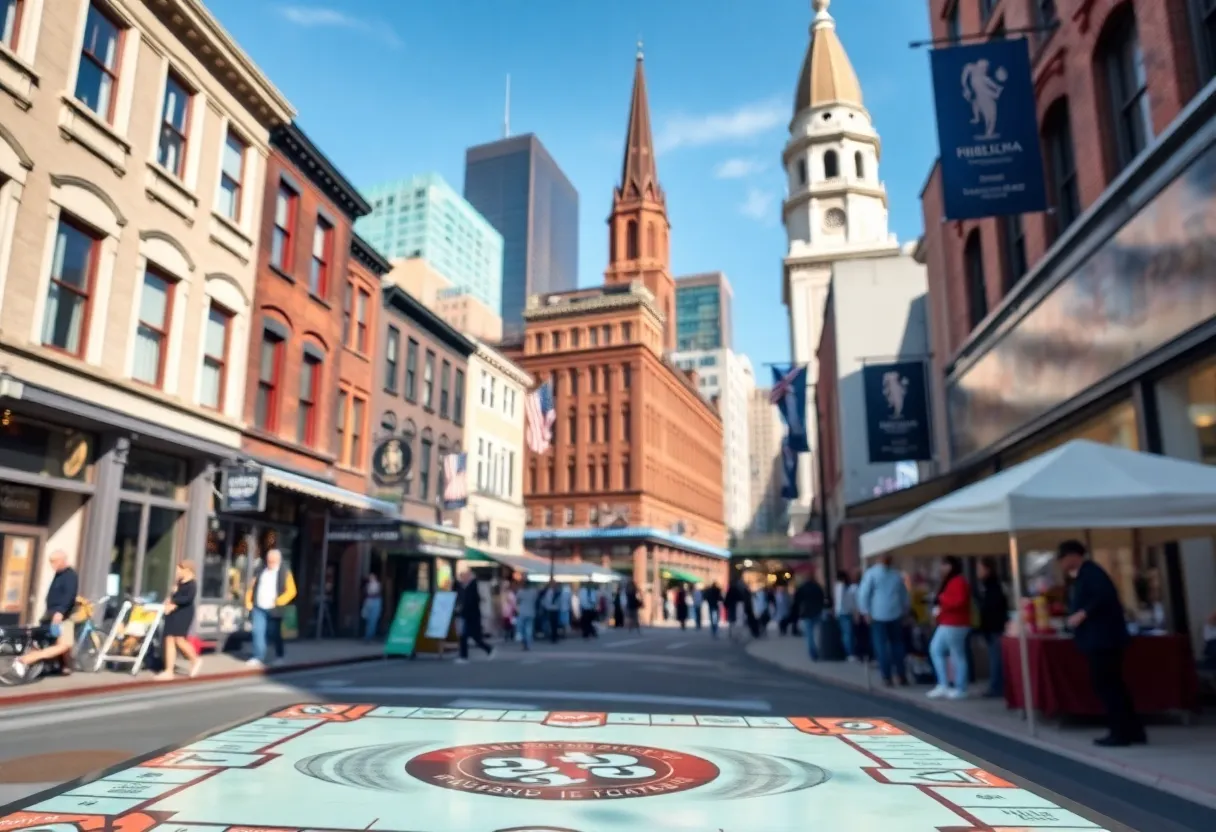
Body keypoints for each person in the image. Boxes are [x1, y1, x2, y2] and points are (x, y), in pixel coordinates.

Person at [1057, 539, 1146, 746]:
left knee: (1107, 686)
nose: (1061, 563)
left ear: (1073, 556)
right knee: (1115, 685)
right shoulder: (1084, 575)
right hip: (1101, 639)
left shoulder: (1092, 573)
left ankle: (1120, 732)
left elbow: (1103, 596)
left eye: (1062, 558)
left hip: (1103, 640)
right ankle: (1133, 729)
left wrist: (1082, 614)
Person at [9, 551, 78, 679]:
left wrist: (60, 612)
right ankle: (26, 659)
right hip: (55, 614)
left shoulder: (69, 576)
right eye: (51, 562)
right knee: (63, 645)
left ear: (63, 560)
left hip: (60, 614)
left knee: (61, 644)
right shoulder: (60, 574)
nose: (52, 565)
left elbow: (69, 595)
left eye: (54, 562)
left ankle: (64, 667)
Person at [858, 554, 911, 687]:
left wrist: (865, 611)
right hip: (895, 613)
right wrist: (905, 611)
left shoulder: (871, 574)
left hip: (878, 614)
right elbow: (904, 595)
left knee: (881, 646)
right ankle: (901, 674)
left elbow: (864, 593)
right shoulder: (896, 575)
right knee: (897, 645)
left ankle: (887, 677)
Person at [927, 556, 972, 700]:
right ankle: (945, 684)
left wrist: (942, 599)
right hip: (949, 622)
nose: (941, 568)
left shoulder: (958, 581)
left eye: (944, 565)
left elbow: (959, 601)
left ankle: (959, 687)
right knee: (938, 649)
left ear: (951, 566)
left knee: (955, 653)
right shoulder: (953, 581)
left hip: (955, 622)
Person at [244, 548, 297, 667]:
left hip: (275, 608)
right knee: (257, 631)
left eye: (273, 561)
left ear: (279, 560)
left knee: (274, 633)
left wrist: (280, 600)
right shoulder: (260, 571)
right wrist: (248, 601)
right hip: (259, 607)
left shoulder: (285, 572)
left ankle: (279, 655)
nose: (270, 563)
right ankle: (258, 656)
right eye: (269, 560)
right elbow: (251, 587)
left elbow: (292, 591)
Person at [157, 561, 201, 680]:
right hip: (173, 613)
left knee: (179, 639)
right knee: (169, 639)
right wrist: (171, 597)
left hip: (184, 614)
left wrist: (174, 603)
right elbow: (173, 596)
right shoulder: (179, 583)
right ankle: (169, 670)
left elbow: (186, 598)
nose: (177, 572)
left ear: (187, 570)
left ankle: (195, 659)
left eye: (179, 569)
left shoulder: (192, 584)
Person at [975, 558, 1009, 697]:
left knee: (996, 658)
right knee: (994, 657)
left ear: (987, 569)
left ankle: (997, 687)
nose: (978, 572)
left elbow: (993, 607)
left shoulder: (993, 586)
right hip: (991, 626)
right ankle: (996, 685)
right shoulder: (987, 586)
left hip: (994, 626)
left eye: (980, 568)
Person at [456, 570, 494, 663]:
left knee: (472, 637)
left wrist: (462, 609)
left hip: (471, 615)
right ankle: (464, 656)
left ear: (468, 576)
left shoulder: (473, 586)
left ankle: (487, 649)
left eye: (463, 576)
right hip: (468, 615)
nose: (462, 579)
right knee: (466, 636)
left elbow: (472, 601)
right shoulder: (466, 587)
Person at [794, 572, 826, 661]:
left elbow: (797, 599)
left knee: (809, 635)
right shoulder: (817, 587)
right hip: (817, 612)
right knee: (818, 633)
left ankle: (813, 653)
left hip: (806, 613)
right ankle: (820, 650)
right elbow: (822, 598)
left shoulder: (802, 588)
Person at [833, 570, 859, 661]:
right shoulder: (842, 587)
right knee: (848, 633)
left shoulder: (838, 586)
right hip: (845, 612)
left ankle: (849, 652)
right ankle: (849, 653)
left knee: (846, 633)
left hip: (842, 612)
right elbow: (842, 601)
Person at [361, 572, 382, 643]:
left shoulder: (377, 585)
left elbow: (376, 592)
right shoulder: (368, 585)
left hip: (374, 601)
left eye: (372, 577)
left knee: (373, 620)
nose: (371, 578)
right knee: (368, 620)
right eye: (370, 577)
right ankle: (368, 636)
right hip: (369, 601)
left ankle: (368, 636)